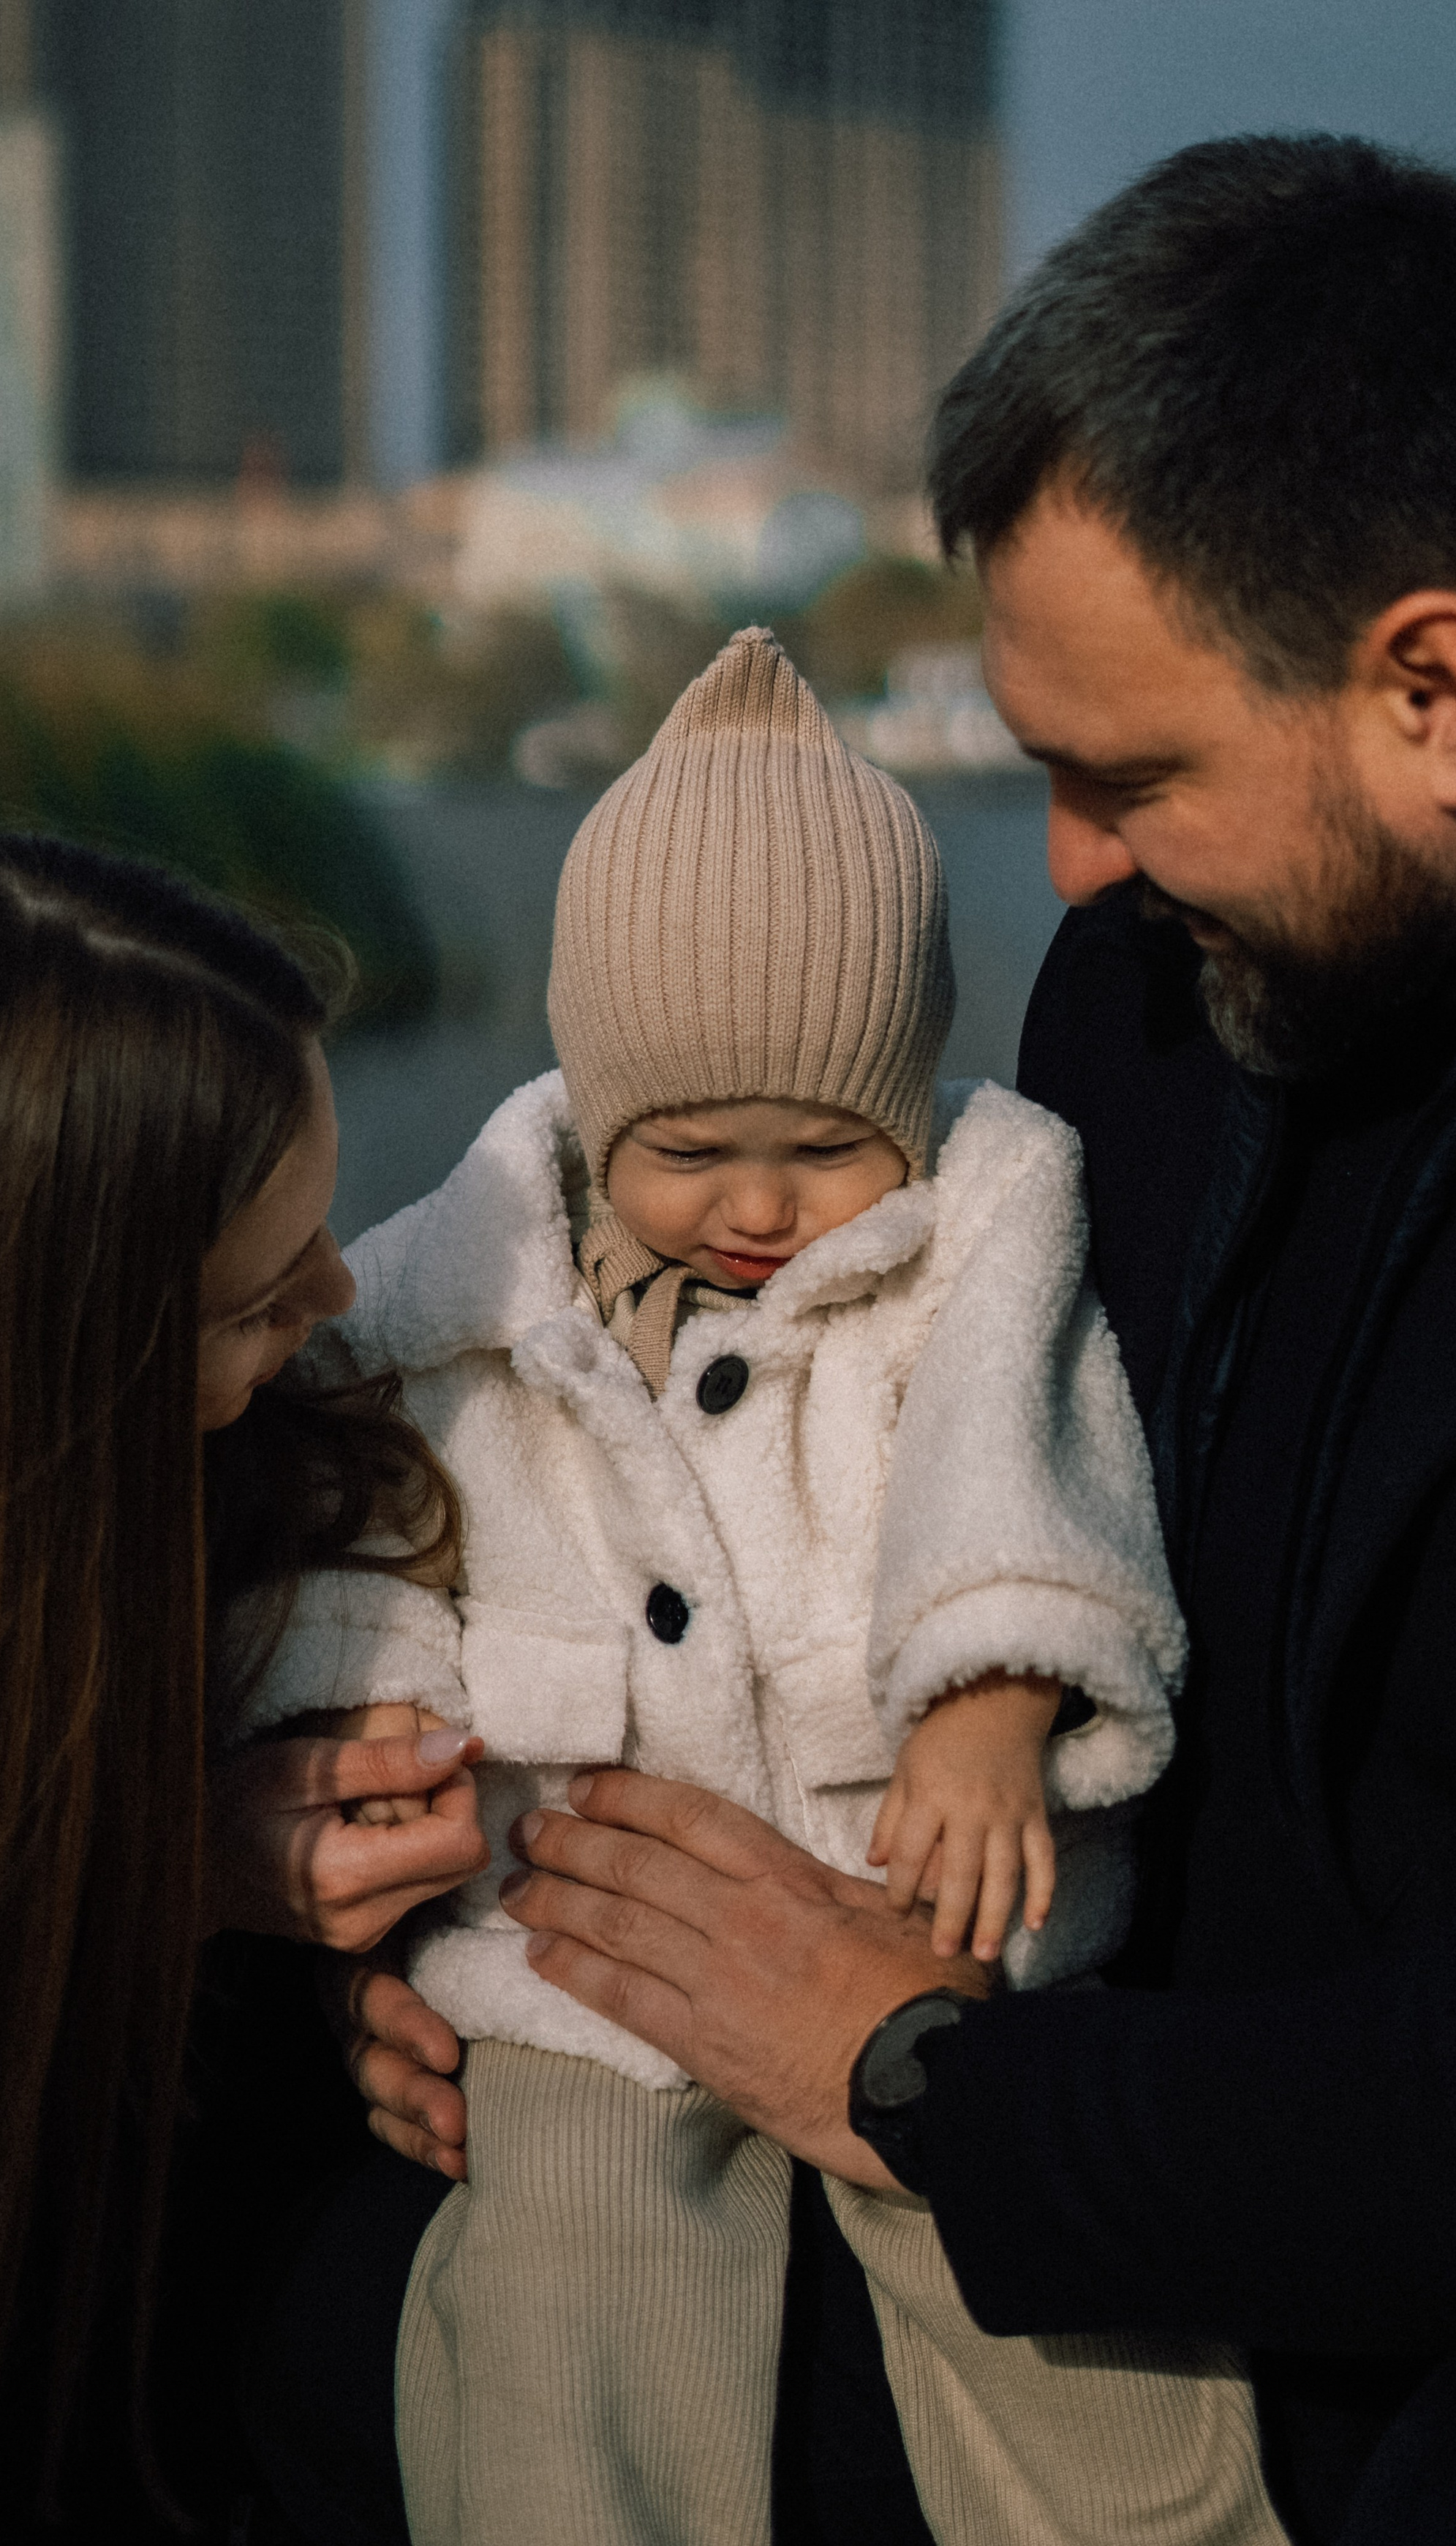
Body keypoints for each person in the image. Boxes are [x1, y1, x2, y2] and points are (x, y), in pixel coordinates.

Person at [361, 135, 1456, 2544]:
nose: (1069, 871)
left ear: (1441, 692)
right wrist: (476, 1920)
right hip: (1059, 2139)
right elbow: (863, 1479)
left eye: (1128, 778)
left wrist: (910, 2069)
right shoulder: (1149, 999)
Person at [239, 628, 1284, 2546]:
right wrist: (350, 1745)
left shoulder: (975, 1235)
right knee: (565, 2316)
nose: (753, 1206)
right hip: (583, 1940)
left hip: (909, 1907)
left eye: (822, 1147)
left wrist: (990, 1703)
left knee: (1059, 2328)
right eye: (688, 1150)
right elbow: (378, 1520)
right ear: (596, 1110)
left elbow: (1023, 1459)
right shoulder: (472, 1289)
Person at [0, 828, 489, 2546]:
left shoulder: (269, 1489)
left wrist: (334, 1988)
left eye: (326, 1216)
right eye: (258, 1300)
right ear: (50, 1358)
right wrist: (171, 1877)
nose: (341, 1292)